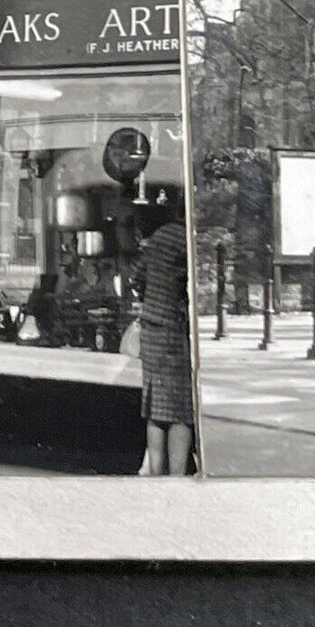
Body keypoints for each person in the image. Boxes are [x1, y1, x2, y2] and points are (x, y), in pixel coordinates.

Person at [131, 190, 194, 475]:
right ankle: (178, 476)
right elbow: (189, 287)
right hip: (172, 327)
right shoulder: (185, 241)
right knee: (180, 408)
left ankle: (157, 473)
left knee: (155, 407)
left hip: (150, 326)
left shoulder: (158, 237)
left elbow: (138, 278)